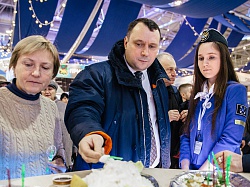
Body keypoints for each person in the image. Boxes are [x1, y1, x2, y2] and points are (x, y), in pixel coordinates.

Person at [65, 18, 171, 170]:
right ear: (126, 42)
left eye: (152, 46)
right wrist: (89, 133)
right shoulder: (96, 74)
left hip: (152, 171)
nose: (145, 52)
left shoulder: (158, 81)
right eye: (139, 44)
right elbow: (83, 108)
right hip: (107, 175)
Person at [0, 35, 67, 180]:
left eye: (45, 67)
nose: (36, 73)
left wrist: (60, 161)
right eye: (28, 64)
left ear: (52, 74)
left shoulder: (51, 107)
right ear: (13, 66)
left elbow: (57, 147)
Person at [180, 28, 248, 170]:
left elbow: (230, 139)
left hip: (218, 173)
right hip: (192, 171)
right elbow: (186, 134)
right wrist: (185, 164)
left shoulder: (235, 91)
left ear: (223, 58)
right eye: (201, 58)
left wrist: (203, 170)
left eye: (211, 57)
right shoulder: (197, 95)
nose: (205, 63)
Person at [157, 52, 188, 169]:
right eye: (170, 70)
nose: (174, 74)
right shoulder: (147, 91)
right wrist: (164, 117)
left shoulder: (175, 91)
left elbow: (181, 112)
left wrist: (187, 113)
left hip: (172, 150)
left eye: (174, 69)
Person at [41, 80, 74, 167]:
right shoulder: (38, 107)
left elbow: (72, 126)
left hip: (66, 145)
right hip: (48, 148)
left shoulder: (63, 106)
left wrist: (75, 149)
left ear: (55, 91)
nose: (47, 92)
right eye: (44, 89)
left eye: (50, 89)